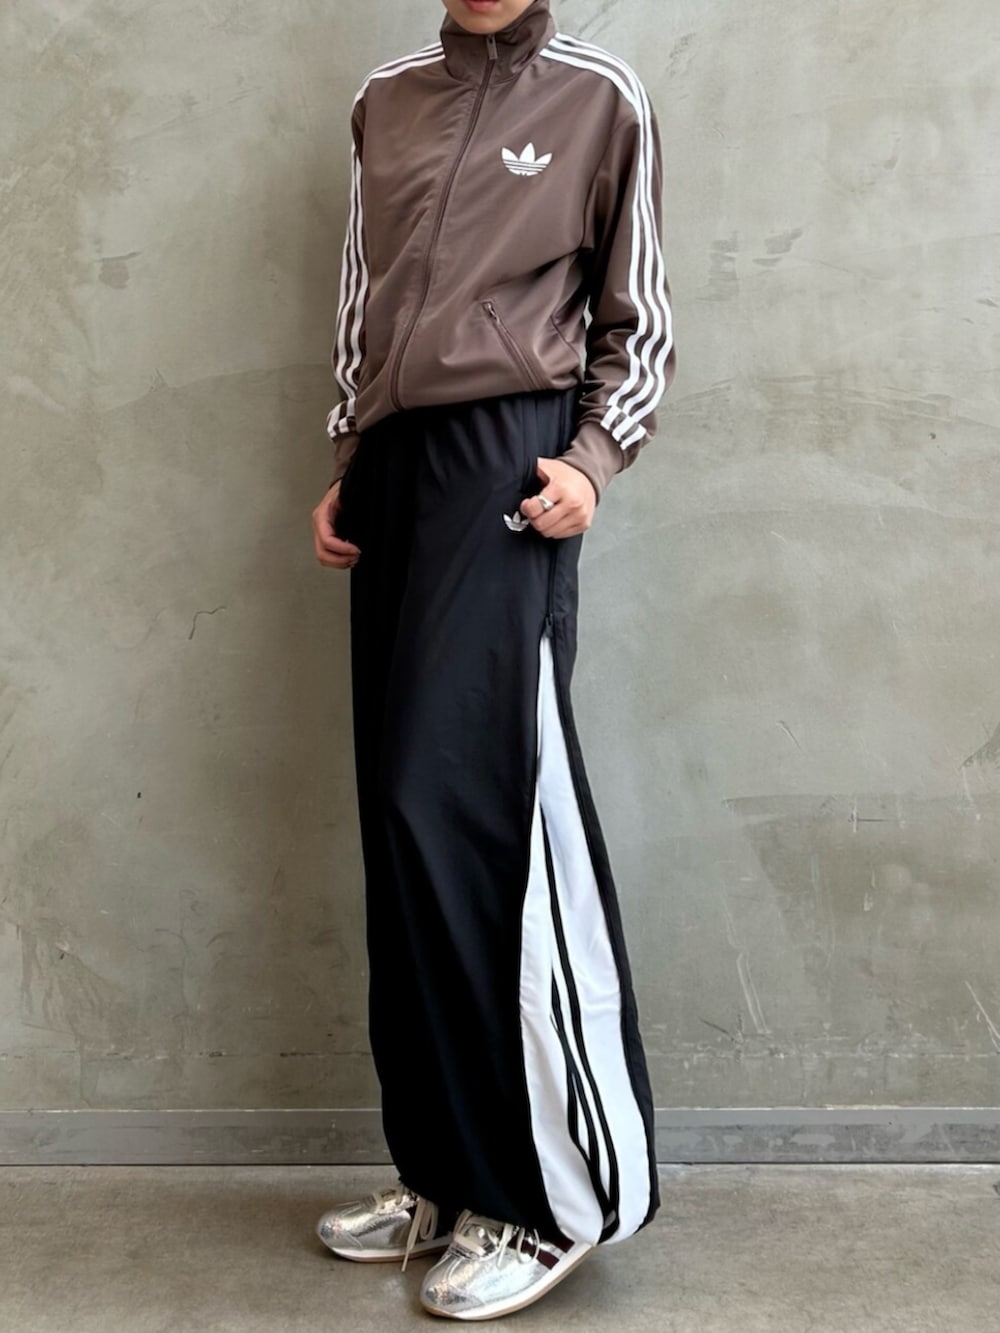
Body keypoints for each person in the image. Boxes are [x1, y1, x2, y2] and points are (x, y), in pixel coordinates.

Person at [309, 0, 676, 1319]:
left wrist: (592, 460)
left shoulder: (598, 95)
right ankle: (445, 1171)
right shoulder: (389, 96)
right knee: (401, 822)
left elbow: (642, 316)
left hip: (507, 464)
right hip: (398, 471)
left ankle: (546, 1196)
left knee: (479, 809)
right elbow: (362, 297)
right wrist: (350, 460)